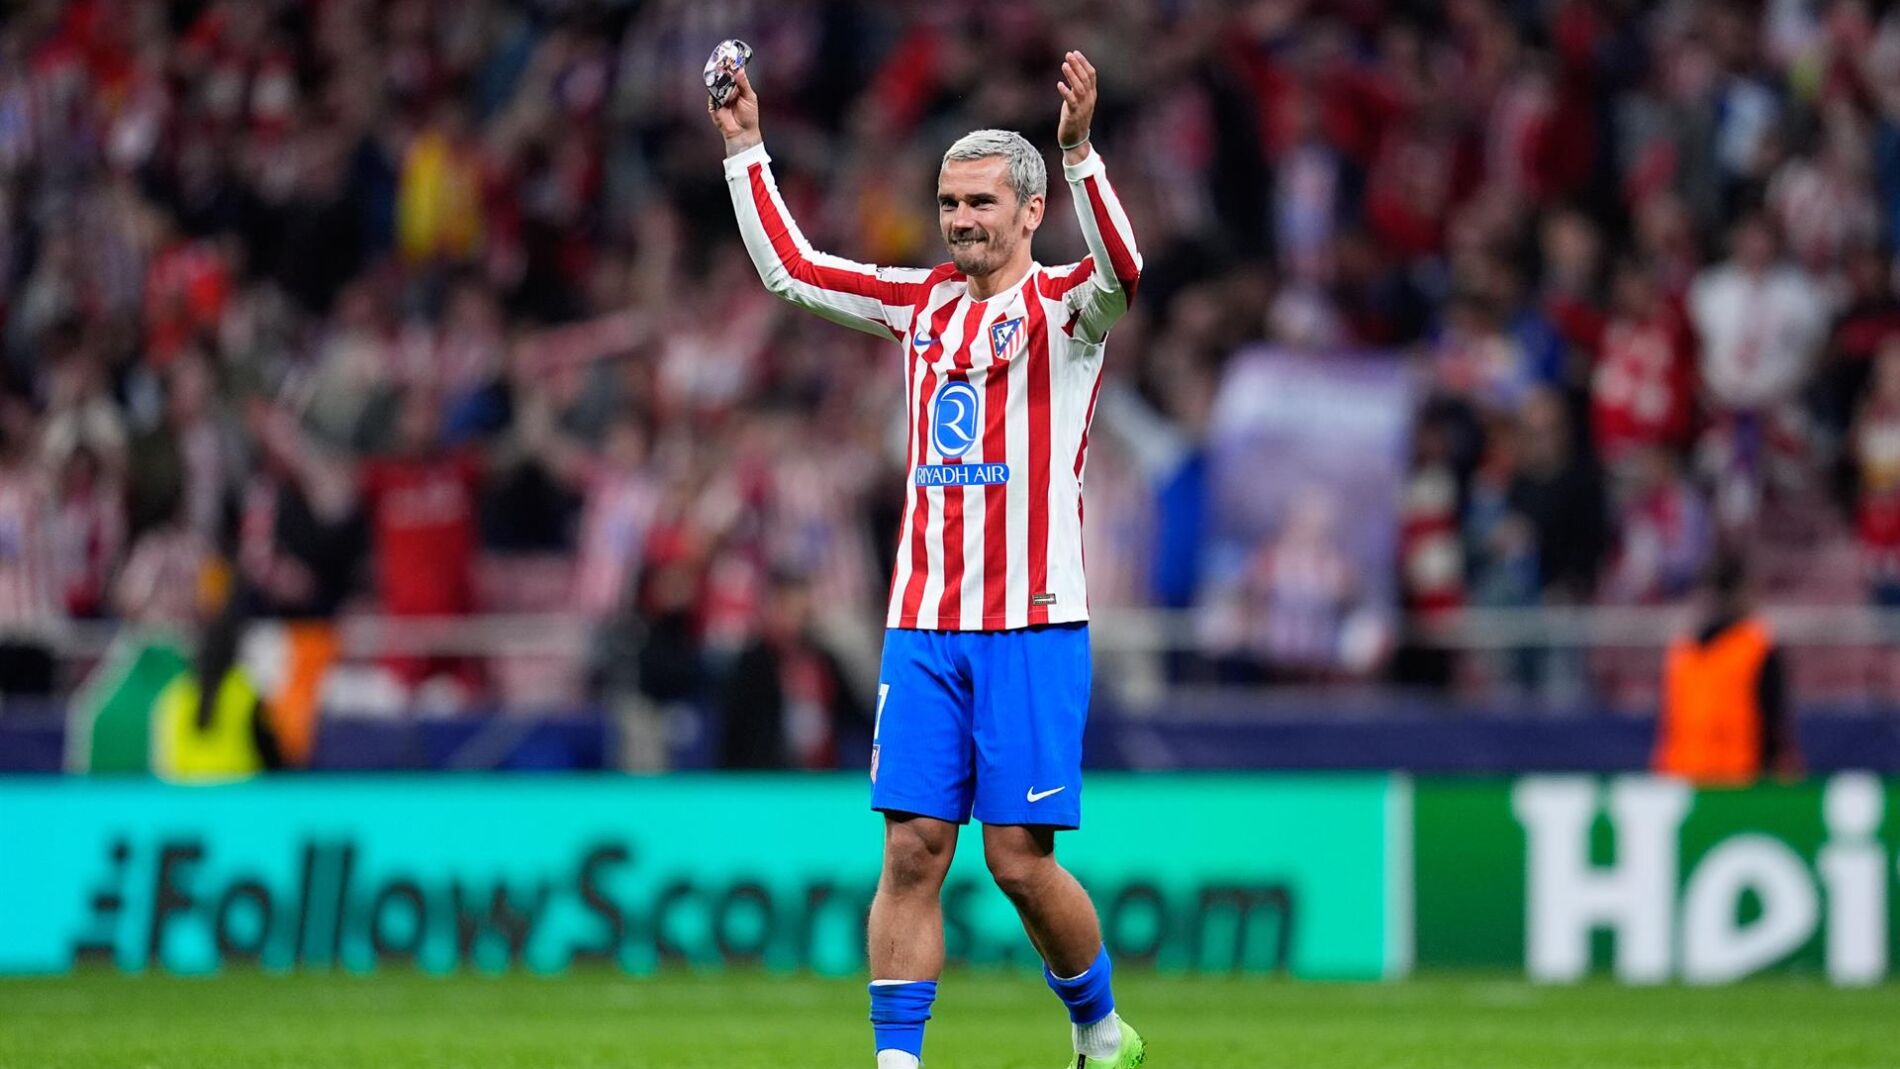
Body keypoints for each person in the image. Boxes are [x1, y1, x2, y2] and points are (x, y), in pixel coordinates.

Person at [712, 49, 1145, 1069]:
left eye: (980, 203)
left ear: (1029, 211)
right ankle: (897, 1063)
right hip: (924, 624)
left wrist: (1081, 153)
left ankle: (1099, 1030)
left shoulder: (1069, 310)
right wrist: (745, 149)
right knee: (910, 849)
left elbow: (1127, 268)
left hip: (1032, 621)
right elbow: (791, 270)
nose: (959, 220)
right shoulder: (919, 304)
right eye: (948, 203)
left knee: (1019, 863)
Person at [1653, 554, 1799, 785]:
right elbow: (1774, 724)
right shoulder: (1756, 647)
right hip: (1734, 780)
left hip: (1693, 780)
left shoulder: (1682, 651)